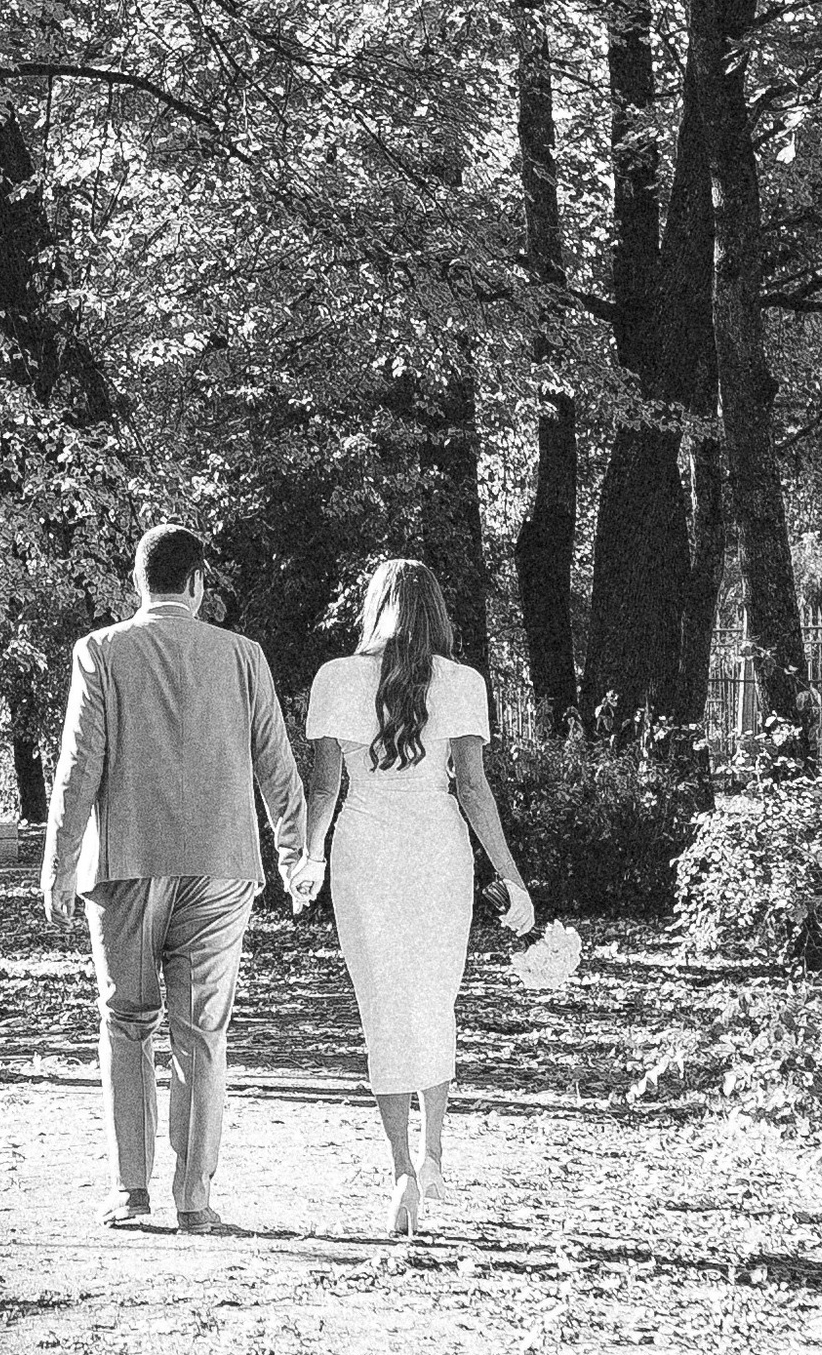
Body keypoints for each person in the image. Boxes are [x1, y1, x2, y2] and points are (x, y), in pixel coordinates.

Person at [41, 522, 310, 1233]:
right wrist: (293, 853)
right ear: (198, 584)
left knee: (125, 1023)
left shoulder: (101, 651)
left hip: (125, 863)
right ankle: (195, 1199)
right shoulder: (243, 655)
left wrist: (60, 863)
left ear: (139, 582)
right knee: (201, 1032)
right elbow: (277, 766)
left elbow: (78, 768)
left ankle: (131, 1190)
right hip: (220, 866)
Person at [295, 557, 533, 1239]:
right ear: (436, 611)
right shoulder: (461, 683)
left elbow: (323, 790)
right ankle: (433, 1153)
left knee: (384, 1009)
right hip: (438, 857)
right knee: (434, 1000)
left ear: (372, 608)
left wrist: (307, 859)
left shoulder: (336, 679)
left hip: (364, 856)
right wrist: (511, 877)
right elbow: (473, 790)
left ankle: (400, 1165)